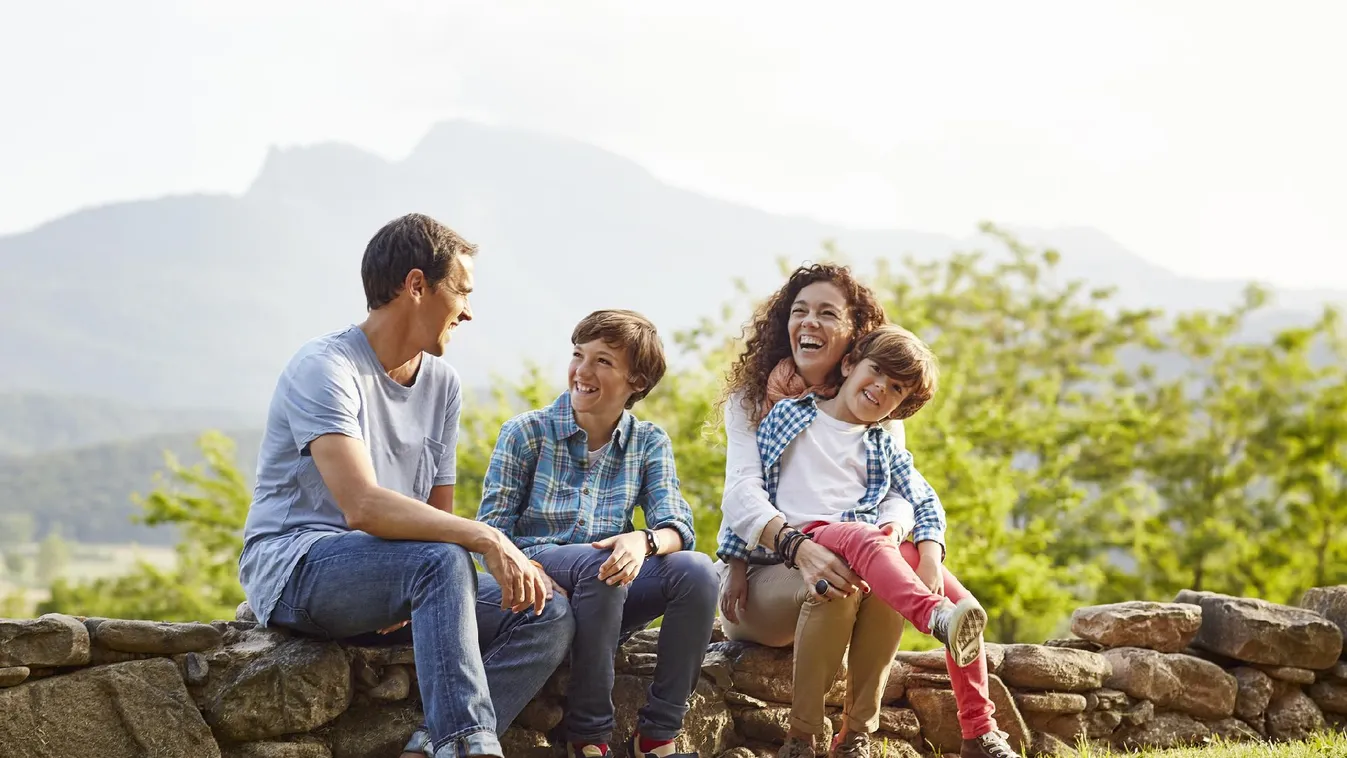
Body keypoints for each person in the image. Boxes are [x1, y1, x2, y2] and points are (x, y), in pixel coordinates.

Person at [237, 213, 574, 758]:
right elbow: (363, 506)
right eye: (461, 291)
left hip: (400, 575)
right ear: (416, 285)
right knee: (440, 560)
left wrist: (445, 564)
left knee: (544, 610)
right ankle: (470, 747)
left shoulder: (442, 384)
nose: (469, 311)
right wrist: (488, 539)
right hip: (298, 568)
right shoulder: (325, 369)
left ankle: (428, 746)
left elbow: (437, 515)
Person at [741, 324, 1019, 758]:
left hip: (869, 543)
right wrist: (737, 562)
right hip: (810, 536)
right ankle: (934, 619)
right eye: (878, 373)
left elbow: (925, 500)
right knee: (865, 537)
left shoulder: (882, 444)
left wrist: (929, 555)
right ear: (849, 364)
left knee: (964, 603)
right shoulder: (791, 416)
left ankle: (979, 730)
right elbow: (746, 490)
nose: (881, 391)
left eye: (896, 389)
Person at [476, 309, 718, 758]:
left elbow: (678, 526)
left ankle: (657, 737)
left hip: (608, 590)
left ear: (637, 381)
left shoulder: (649, 442)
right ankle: (588, 737)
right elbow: (491, 532)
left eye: (603, 361)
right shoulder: (526, 433)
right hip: (538, 572)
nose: (582, 371)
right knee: (602, 565)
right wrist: (527, 571)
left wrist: (642, 540)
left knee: (699, 572)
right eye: (577, 354)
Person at [714, 263, 916, 758]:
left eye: (827, 313)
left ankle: (857, 738)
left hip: (848, 556)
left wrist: (891, 533)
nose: (809, 322)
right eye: (799, 311)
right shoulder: (752, 403)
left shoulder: (877, 412)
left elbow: (901, 493)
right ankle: (801, 741)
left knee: (884, 582)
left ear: (853, 338)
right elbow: (741, 493)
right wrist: (795, 548)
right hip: (761, 578)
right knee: (836, 581)